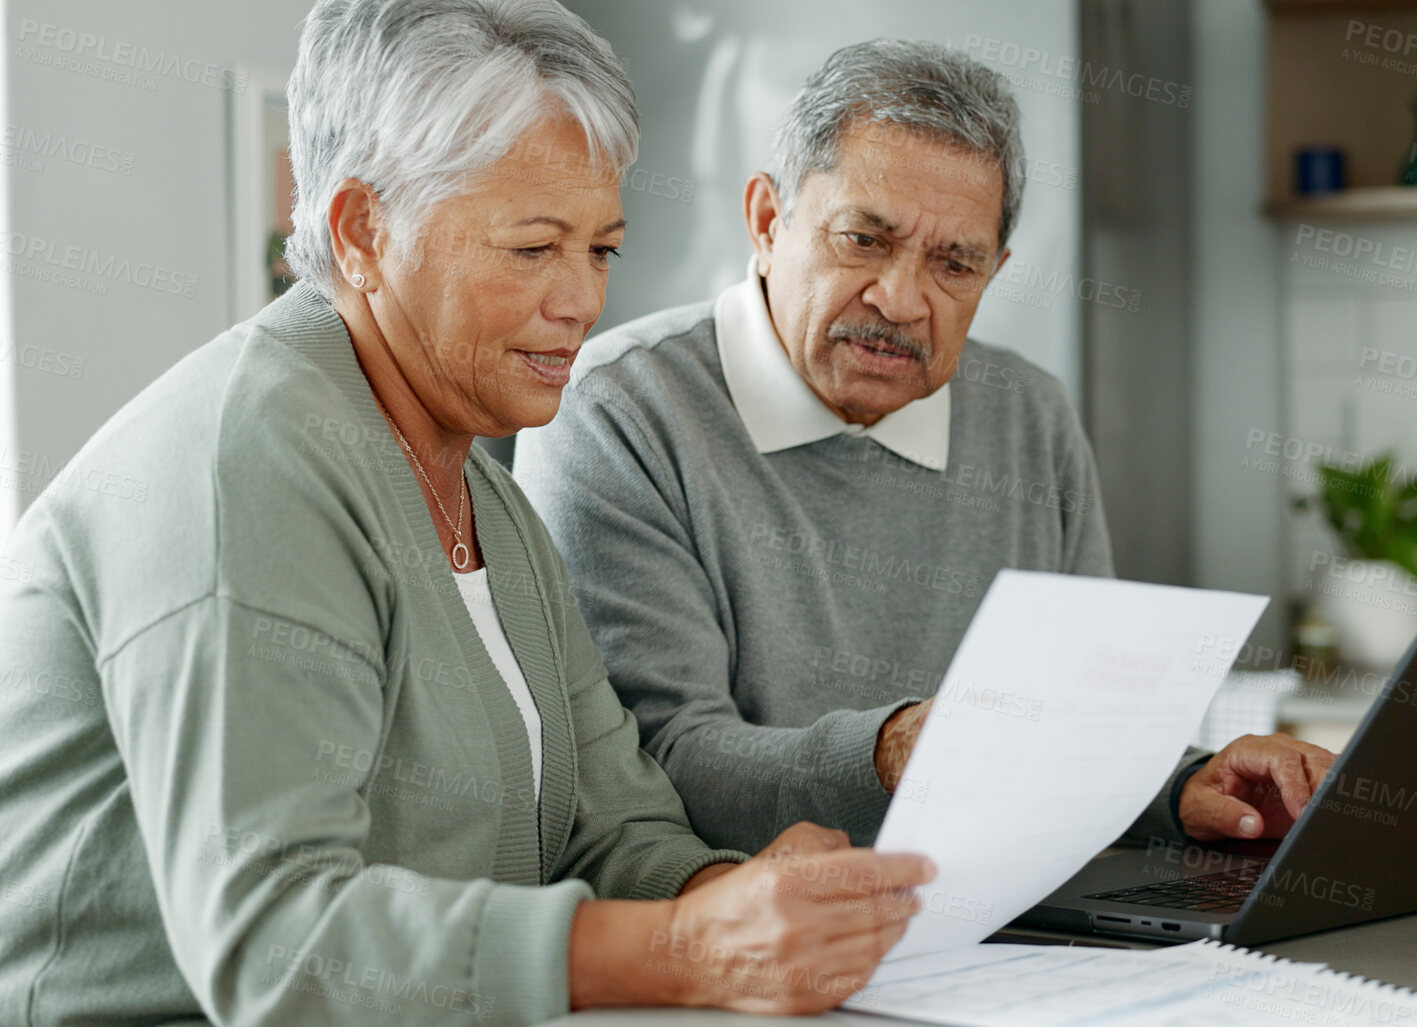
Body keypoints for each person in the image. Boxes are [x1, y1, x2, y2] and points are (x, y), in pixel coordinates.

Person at [0, 3, 929, 1024]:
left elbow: (608, 829)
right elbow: (274, 940)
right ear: (363, 232)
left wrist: (735, 900)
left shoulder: (488, 499)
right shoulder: (245, 459)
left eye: (601, 250)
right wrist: (682, 946)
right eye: (533, 248)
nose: (580, 300)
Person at [515, 39, 1337, 858]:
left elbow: (1075, 727)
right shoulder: (615, 407)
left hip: (1000, 920)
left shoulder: (1030, 416)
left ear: (995, 270)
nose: (901, 299)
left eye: (954, 263)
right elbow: (654, 767)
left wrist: (1180, 786)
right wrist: (893, 752)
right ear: (768, 222)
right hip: (749, 938)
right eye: (863, 240)